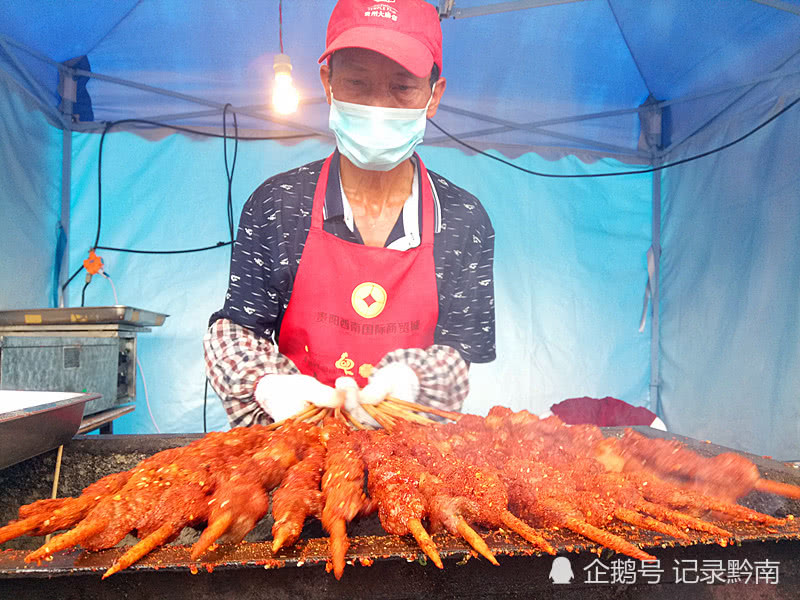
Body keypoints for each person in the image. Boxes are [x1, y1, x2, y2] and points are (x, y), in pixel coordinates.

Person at [204, 0, 495, 427]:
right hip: (295, 448)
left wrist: (411, 379)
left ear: (434, 96)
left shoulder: (464, 219)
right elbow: (236, 330)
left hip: (410, 460)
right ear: (328, 83)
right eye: (358, 83)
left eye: (402, 87)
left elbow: (458, 354)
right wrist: (267, 384)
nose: (379, 106)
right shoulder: (278, 204)